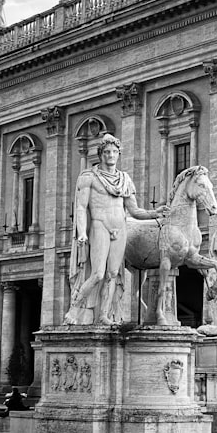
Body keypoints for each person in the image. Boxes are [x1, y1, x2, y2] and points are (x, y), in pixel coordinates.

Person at [64, 134, 166, 326]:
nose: (111, 155)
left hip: (120, 227)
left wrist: (156, 213)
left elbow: (135, 211)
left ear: (119, 154)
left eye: (114, 152)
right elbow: (80, 207)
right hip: (99, 225)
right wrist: (82, 232)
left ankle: (103, 315)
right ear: (101, 155)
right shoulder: (89, 177)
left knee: (113, 274)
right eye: (107, 152)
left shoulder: (124, 179)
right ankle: (74, 308)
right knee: (98, 274)